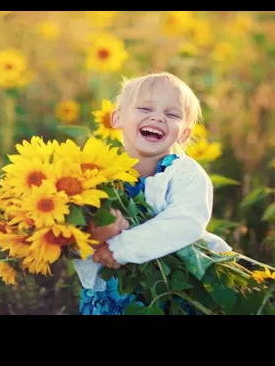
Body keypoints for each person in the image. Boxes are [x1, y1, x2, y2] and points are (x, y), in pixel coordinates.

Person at [73, 72, 232, 315]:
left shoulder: (183, 173)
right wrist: (94, 237)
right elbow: (66, 231)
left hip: (170, 292)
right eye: (145, 108)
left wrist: (119, 248)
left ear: (184, 134)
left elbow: (186, 223)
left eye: (172, 114)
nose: (157, 117)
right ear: (116, 118)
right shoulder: (95, 172)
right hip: (110, 294)